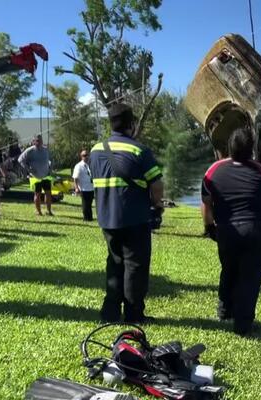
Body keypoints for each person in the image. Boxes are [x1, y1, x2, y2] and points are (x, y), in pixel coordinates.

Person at [201, 127, 261, 336]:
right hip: (255, 229)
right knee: (250, 276)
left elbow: (206, 201)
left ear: (230, 147)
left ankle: (224, 310)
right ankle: (243, 324)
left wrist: (209, 226)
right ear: (251, 150)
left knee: (228, 268)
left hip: (227, 229)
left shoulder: (214, 170)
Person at [90, 103, 163, 323]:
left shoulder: (95, 150)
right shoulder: (139, 150)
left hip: (107, 218)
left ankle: (110, 312)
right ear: (131, 124)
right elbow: (157, 184)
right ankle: (133, 314)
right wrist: (155, 203)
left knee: (114, 263)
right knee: (135, 266)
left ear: (110, 124)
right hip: (135, 218)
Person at [18, 134, 54, 216]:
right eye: (37, 141)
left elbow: (52, 159)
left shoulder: (46, 150)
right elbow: (20, 160)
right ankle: (38, 211)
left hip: (46, 175)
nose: (39, 142)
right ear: (34, 141)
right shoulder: (30, 151)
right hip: (35, 177)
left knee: (48, 193)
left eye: (40, 140)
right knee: (37, 194)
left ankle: (49, 211)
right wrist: (28, 169)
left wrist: (50, 169)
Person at [72, 149, 95, 221]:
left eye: (87, 155)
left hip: (91, 187)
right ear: (81, 157)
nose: (86, 157)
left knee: (89, 204)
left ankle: (90, 218)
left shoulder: (90, 165)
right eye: (84, 155)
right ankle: (86, 218)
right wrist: (76, 188)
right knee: (85, 204)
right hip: (83, 188)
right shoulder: (78, 166)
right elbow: (75, 178)